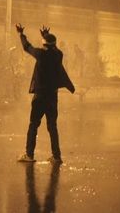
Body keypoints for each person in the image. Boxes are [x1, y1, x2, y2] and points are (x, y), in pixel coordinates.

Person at [16, 24, 75, 164]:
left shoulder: (41, 54)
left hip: (40, 96)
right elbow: (52, 46)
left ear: (44, 45)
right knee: (52, 126)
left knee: (33, 124)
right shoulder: (58, 55)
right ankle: (56, 156)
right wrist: (46, 36)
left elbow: (27, 47)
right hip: (52, 97)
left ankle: (29, 155)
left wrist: (21, 34)